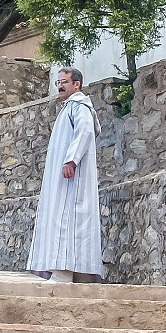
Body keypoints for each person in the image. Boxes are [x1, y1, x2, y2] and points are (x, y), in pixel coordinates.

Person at [26, 67, 103, 283]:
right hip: (62, 177)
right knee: (59, 216)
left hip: (72, 177)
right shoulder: (69, 108)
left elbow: (85, 131)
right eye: (58, 82)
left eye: (64, 82)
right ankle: (62, 270)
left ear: (76, 84)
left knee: (67, 218)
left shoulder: (80, 107)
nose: (59, 86)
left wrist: (72, 159)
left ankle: (64, 271)